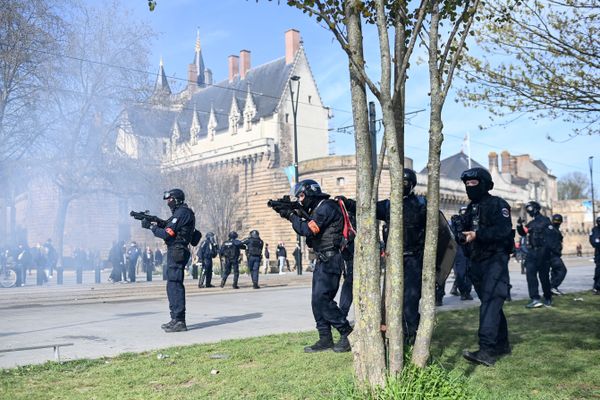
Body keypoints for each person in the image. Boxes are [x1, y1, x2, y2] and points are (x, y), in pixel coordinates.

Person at [270, 179, 353, 353]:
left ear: (310, 193)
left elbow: (308, 230)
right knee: (316, 301)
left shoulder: (326, 207)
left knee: (323, 299)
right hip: (323, 260)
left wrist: (291, 215)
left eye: (301, 195)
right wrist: (290, 213)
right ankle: (325, 338)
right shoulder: (318, 208)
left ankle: (347, 333)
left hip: (331, 259)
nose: (300, 199)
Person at [459, 167, 513, 367]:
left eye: (473, 183)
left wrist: (478, 234)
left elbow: (504, 231)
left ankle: (487, 350)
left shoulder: (498, 204)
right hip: (477, 262)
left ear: (484, 184)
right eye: (466, 184)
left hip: (495, 261)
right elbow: (464, 235)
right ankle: (502, 344)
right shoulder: (470, 209)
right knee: (492, 306)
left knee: (490, 304)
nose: (469, 187)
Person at [141, 188, 196, 333]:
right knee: (171, 285)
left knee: (175, 285)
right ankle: (175, 319)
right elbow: (168, 225)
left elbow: (167, 234)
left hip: (177, 250)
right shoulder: (179, 213)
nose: (168, 202)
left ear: (177, 199)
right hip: (175, 250)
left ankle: (180, 321)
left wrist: (152, 227)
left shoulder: (183, 213)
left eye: (170, 199)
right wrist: (156, 221)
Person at [517, 200, 553, 308]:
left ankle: (547, 297)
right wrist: (519, 224)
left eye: (530, 209)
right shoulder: (531, 223)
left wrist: (549, 252)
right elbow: (523, 232)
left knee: (544, 276)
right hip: (532, 251)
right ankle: (535, 298)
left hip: (543, 251)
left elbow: (551, 237)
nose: (529, 212)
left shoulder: (545, 221)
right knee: (530, 275)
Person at [449, 208, 474, 301]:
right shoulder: (455, 223)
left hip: (469, 248)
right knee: (460, 273)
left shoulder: (471, 222)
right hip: (459, 249)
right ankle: (463, 292)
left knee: (470, 272)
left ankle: (466, 292)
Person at [548, 214, 567, 295]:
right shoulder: (553, 230)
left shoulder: (553, 229)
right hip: (553, 255)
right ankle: (553, 286)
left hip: (553, 254)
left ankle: (552, 289)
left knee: (555, 272)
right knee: (562, 270)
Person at [590, 216, 600, 294]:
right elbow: (594, 241)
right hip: (598, 253)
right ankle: (596, 286)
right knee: (598, 269)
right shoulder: (595, 230)